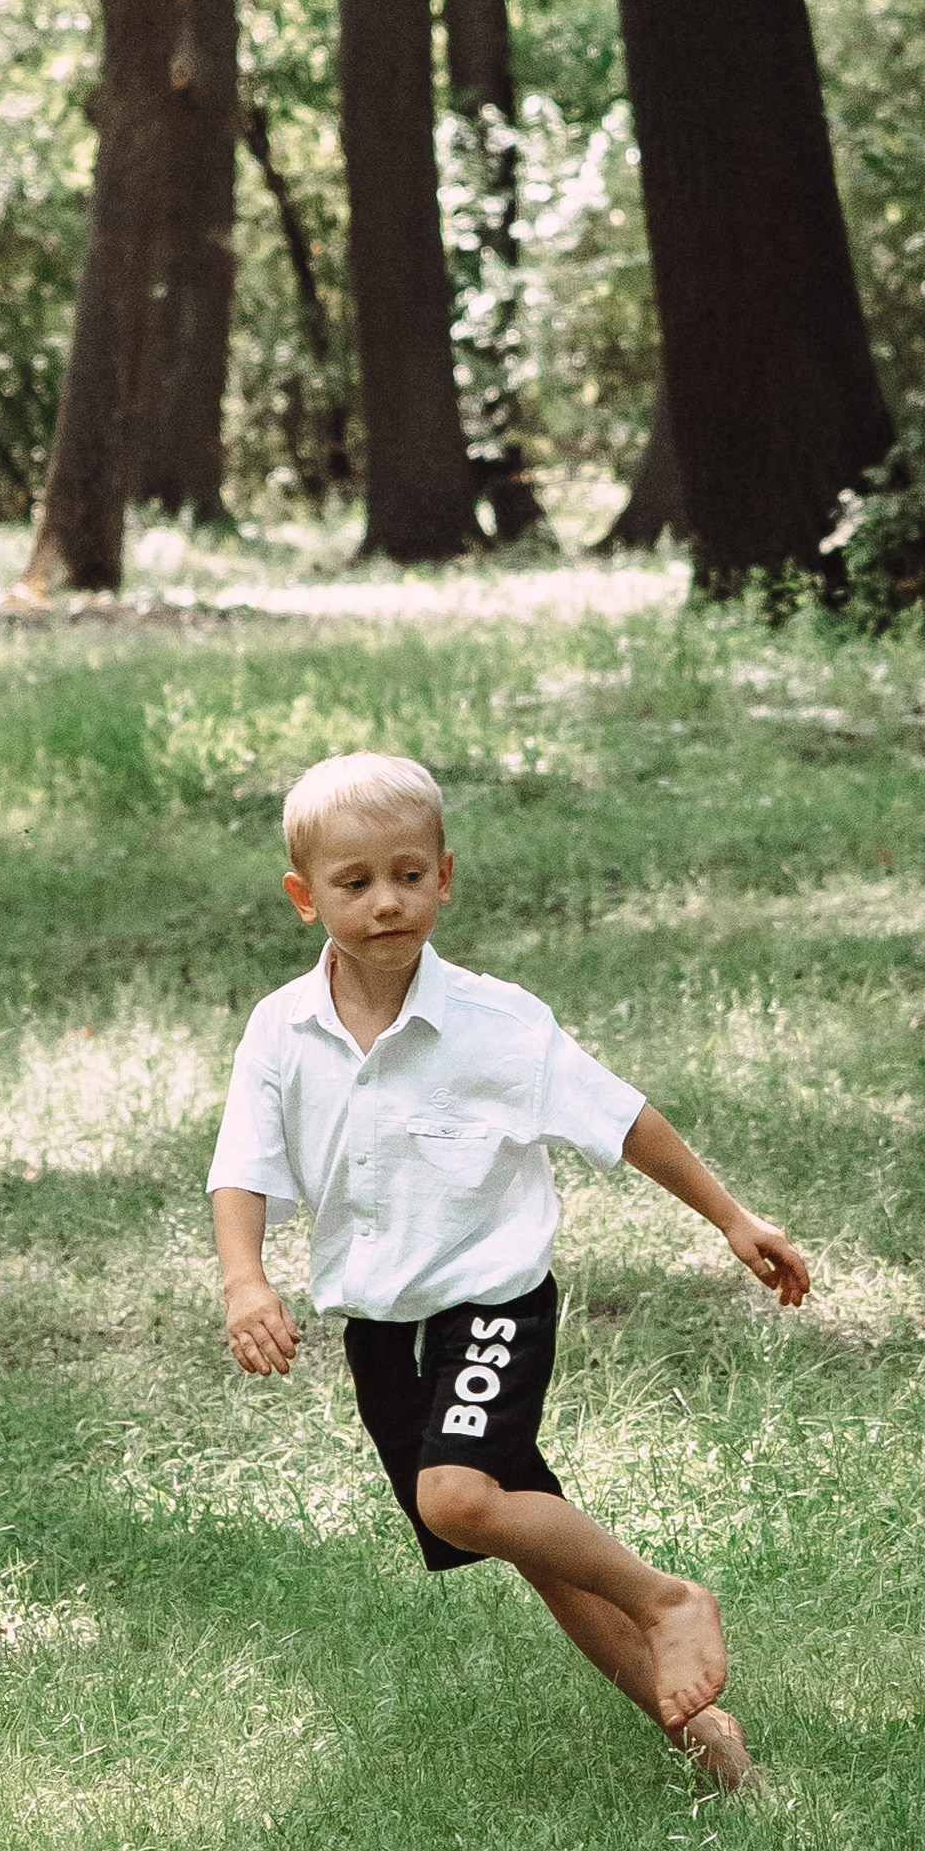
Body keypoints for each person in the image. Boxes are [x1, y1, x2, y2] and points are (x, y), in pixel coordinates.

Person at [208, 750, 809, 1792]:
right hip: (381, 1326)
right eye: (353, 884)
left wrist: (729, 1217)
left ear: (444, 875)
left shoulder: (498, 1023)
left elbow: (622, 1121)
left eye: (407, 874)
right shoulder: (280, 1030)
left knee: (455, 1497)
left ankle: (669, 1599)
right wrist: (245, 1282)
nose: (385, 902)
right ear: (305, 898)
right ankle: (703, 1740)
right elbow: (242, 1168)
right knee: (531, 1541)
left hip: (490, 1302)